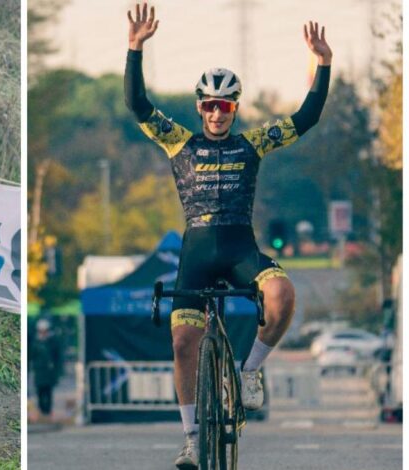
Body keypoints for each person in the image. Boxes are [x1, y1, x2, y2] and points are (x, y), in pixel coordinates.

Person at [124, 4, 331, 468]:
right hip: (196, 250)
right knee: (182, 343)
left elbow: (306, 118)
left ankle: (251, 371)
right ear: (200, 108)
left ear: (235, 109)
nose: (218, 113)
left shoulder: (252, 142)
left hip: (240, 248)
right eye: (210, 105)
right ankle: (193, 439)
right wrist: (135, 49)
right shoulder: (179, 141)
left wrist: (323, 64)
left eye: (226, 105)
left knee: (281, 294)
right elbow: (138, 106)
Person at [31, 318, 63, 421]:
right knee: (40, 392)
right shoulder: (35, 341)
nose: (43, 332)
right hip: (39, 370)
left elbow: (57, 357)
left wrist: (57, 371)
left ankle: (48, 412)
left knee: (48, 392)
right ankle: (42, 411)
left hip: (49, 371)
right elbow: (31, 355)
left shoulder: (52, 341)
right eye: (41, 330)